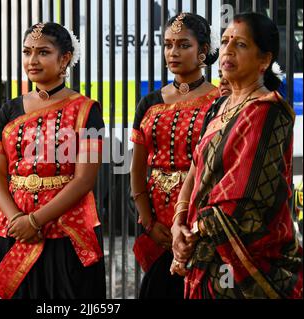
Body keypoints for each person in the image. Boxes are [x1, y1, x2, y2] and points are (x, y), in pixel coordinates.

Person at [171, 12, 303, 299]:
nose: (227, 50)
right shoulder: (219, 107)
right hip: (205, 254)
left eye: (240, 44)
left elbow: (241, 198)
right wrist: (177, 224)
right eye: (225, 41)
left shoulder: (268, 111)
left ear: (264, 60)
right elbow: (196, 169)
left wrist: (190, 233)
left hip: (251, 262)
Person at [0, 22, 106, 299]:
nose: (32, 60)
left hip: (67, 232)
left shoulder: (86, 110)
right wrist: (18, 218)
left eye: (43, 52)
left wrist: (36, 220)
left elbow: (84, 179)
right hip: (14, 228)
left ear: (64, 58)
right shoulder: (9, 110)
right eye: (27, 52)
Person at [130, 12, 219, 299]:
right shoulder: (150, 102)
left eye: (183, 45)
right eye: (168, 44)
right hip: (156, 220)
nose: (173, 52)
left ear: (203, 51)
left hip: (200, 218)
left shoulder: (220, 101)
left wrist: (195, 225)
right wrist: (148, 222)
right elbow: (137, 166)